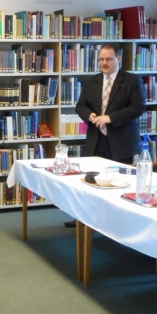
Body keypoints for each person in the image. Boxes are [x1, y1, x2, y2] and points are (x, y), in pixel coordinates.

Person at [65, 43, 145, 226]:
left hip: (121, 141)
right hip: (96, 139)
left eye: (108, 59)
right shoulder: (92, 81)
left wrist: (110, 118)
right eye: (101, 59)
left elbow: (138, 107)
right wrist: (90, 115)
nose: (104, 63)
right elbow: (81, 106)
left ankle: (113, 223)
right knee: (91, 181)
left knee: (117, 183)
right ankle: (84, 219)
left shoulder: (132, 80)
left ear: (118, 58)